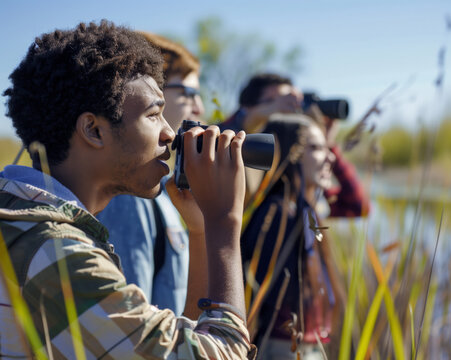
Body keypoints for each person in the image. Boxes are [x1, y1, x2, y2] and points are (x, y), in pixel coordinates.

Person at [0, 20, 254, 359]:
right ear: (93, 129)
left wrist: (202, 229)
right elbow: (222, 353)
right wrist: (225, 223)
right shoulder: (56, 254)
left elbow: (173, 343)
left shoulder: (24, 224)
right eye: (153, 115)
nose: (169, 133)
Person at [97, 32, 206, 318]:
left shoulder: (157, 187)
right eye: (187, 93)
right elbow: (131, 325)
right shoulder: (128, 193)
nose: (199, 108)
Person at [241, 114, 343, 359]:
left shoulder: (305, 211)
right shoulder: (276, 214)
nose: (331, 157)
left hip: (305, 345)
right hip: (281, 347)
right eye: (317, 148)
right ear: (290, 153)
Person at [221, 72, 370, 218]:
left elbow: (357, 206)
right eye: (273, 100)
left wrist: (326, 142)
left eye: (290, 101)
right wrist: (259, 116)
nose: (284, 107)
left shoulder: (298, 174)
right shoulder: (239, 156)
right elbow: (230, 135)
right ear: (246, 108)